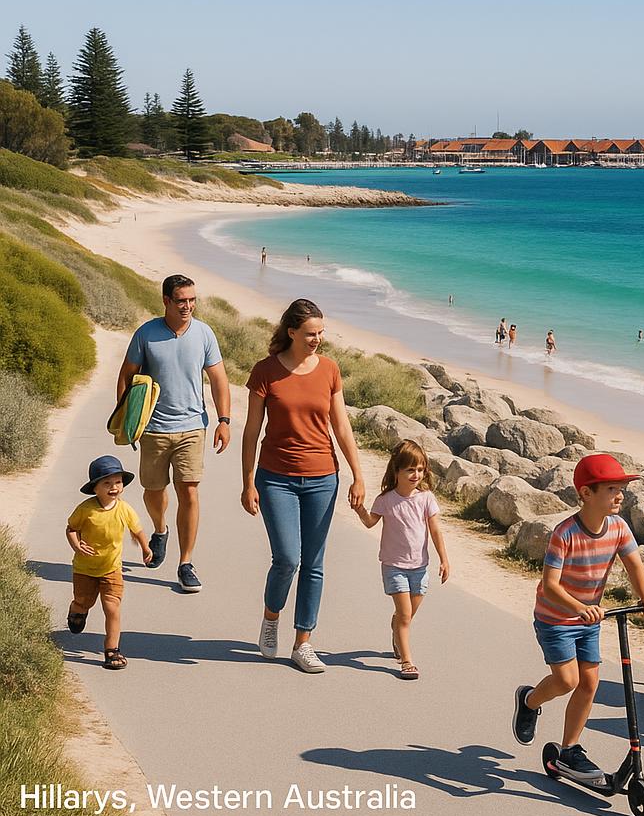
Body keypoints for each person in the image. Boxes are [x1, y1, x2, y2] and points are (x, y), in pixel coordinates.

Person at [511, 453, 644, 780]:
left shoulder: (619, 528)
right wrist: (580, 608)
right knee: (567, 681)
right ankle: (529, 700)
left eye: (621, 488)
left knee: (589, 683)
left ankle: (569, 749)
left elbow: (635, 566)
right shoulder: (564, 533)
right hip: (556, 619)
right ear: (586, 494)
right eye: (611, 489)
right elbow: (549, 586)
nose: (619, 494)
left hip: (588, 621)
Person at [241, 298, 366, 673]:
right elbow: (251, 431)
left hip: (322, 479)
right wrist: (248, 481)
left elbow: (341, 426)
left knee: (314, 563)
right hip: (275, 477)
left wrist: (358, 474)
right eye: (311, 333)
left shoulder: (329, 370)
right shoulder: (265, 372)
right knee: (287, 559)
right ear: (292, 331)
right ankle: (270, 617)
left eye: (321, 333)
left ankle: (303, 643)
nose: (318, 339)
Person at [117, 274, 230, 595]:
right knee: (153, 491)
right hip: (153, 429)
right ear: (166, 301)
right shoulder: (146, 334)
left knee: (190, 491)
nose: (188, 306)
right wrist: (128, 419)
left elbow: (220, 380)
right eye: (181, 300)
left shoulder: (204, 333)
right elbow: (125, 376)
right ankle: (160, 529)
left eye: (192, 300)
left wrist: (224, 420)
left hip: (193, 427)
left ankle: (186, 563)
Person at [353, 440, 450, 680]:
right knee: (405, 615)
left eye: (420, 469)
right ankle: (407, 662)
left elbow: (436, 531)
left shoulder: (426, 498)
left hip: (420, 567)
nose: (416, 474)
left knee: (407, 615)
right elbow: (369, 522)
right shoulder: (386, 500)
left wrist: (444, 560)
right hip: (394, 566)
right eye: (410, 469)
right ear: (396, 471)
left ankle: (396, 629)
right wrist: (359, 509)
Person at [66, 456, 152, 670]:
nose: (114, 487)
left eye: (118, 482)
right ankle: (77, 610)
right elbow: (71, 529)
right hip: (85, 568)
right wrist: (76, 545)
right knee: (83, 601)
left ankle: (112, 649)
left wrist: (145, 547)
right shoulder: (86, 509)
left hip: (112, 569)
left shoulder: (124, 509)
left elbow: (137, 529)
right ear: (95, 488)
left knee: (112, 607)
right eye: (107, 483)